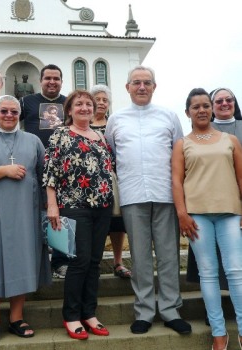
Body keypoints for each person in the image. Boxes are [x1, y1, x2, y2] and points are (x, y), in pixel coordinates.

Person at [105, 65, 191, 335]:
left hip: (165, 193)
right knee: (140, 257)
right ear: (127, 87)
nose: (142, 87)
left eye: (147, 83)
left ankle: (170, 310)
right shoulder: (116, 119)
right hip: (132, 194)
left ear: (155, 86)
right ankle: (144, 311)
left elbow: (179, 153)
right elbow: (112, 153)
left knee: (168, 255)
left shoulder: (168, 116)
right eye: (136, 83)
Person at [0, 95, 51, 343]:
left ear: (19, 115)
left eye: (14, 112)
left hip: (27, 210)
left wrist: (48, 206)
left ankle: (16, 317)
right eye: (3, 111)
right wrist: (3, 170)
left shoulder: (33, 140)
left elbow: (44, 174)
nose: (9, 115)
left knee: (23, 260)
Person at [172, 87, 242, 350]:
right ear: (188, 112)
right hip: (197, 216)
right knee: (208, 274)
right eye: (196, 107)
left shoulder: (230, 141)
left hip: (231, 214)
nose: (201, 110)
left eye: (205, 105)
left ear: (211, 109)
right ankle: (219, 333)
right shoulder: (182, 144)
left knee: (236, 272)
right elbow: (177, 182)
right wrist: (182, 214)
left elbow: (241, 178)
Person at [43, 90, 114, 340]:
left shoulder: (100, 137)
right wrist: (52, 205)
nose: (84, 107)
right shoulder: (61, 134)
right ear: (69, 110)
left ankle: (89, 313)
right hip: (74, 206)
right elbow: (50, 173)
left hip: (103, 207)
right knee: (79, 261)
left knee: (94, 261)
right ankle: (72, 315)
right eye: (79, 104)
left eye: (88, 104)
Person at [20, 64, 69, 279]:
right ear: (40, 80)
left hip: (64, 168)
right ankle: (36, 262)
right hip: (34, 166)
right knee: (35, 213)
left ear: (61, 81)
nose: (52, 82)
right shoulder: (27, 102)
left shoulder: (68, 103)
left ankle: (60, 262)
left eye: (56, 78)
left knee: (61, 215)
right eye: (48, 78)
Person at [90, 84, 130, 279]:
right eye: (97, 99)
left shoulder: (114, 124)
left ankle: (118, 262)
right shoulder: (83, 125)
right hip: (88, 181)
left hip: (114, 178)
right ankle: (93, 263)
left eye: (105, 100)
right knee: (94, 223)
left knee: (117, 222)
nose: (101, 103)